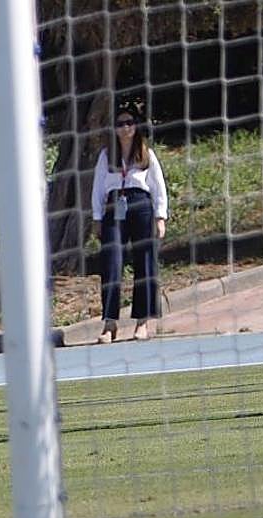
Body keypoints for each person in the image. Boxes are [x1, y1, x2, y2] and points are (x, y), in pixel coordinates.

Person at [90, 103, 168, 343]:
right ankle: (109, 322)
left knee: (145, 262)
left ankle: (142, 322)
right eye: (120, 124)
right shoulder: (106, 155)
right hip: (115, 205)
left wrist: (160, 216)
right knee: (112, 261)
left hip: (140, 203)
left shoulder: (146, 154)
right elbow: (98, 188)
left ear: (136, 127)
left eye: (129, 123)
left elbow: (158, 186)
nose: (125, 129)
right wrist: (96, 217)